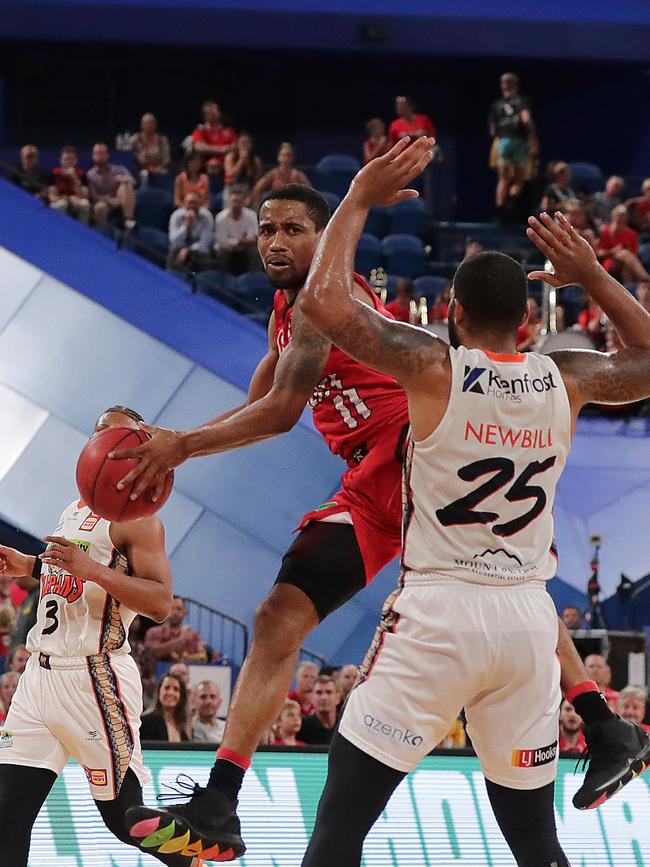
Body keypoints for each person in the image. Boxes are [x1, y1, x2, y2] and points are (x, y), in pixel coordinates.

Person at [121, 176, 644, 861]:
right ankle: (604, 722)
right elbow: (261, 406)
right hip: (406, 498)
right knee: (495, 584)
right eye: (266, 229)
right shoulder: (289, 314)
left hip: (403, 457)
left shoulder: (339, 317)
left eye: (294, 229)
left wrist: (181, 445)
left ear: (453, 312)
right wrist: (185, 444)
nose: (276, 241)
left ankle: (222, 797)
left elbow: (282, 411)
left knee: (301, 622)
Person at [288, 138, 650, 867]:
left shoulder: (433, 368)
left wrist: (358, 193)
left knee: (339, 826)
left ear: (451, 311)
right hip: (526, 623)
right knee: (535, 842)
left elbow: (324, 303)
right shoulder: (565, 376)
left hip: (440, 613)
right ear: (527, 317)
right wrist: (592, 274)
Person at [0, 406, 199, 867]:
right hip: (38, 677)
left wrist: (92, 569)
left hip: (94, 677)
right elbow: (69, 578)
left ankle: (195, 855)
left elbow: (160, 603)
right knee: (8, 814)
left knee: (124, 819)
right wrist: (28, 565)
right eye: (98, 434)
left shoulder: (139, 519)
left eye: (115, 436)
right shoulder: (74, 507)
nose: (101, 443)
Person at [489, 72, 537, 215]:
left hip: (503, 141)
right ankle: (512, 200)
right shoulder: (522, 101)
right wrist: (533, 137)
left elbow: (492, 130)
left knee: (503, 177)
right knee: (519, 177)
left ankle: (500, 207)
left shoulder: (497, 105)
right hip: (519, 141)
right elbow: (526, 119)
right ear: (515, 85)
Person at [86, 142, 136, 229]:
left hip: (121, 199)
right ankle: (101, 234)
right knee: (100, 207)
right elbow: (93, 196)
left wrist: (123, 179)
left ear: (107, 155)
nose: (100, 156)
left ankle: (128, 221)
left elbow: (133, 181)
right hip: (103, 201)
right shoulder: (90, 175)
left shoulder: (119, 169)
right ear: (93, 156)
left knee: (126, 184)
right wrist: (109, 200)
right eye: (98, 153)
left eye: (103, 153)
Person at [597, 205, 650, 284]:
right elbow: (599, 253)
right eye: (618, 220)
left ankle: (628, 289)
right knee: (623, 253)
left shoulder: (632, 234)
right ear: (613, 219)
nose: (620, 223)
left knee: (626, 259)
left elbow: (634, 254)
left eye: (623, 221)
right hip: (610, 261)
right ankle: (645, 278)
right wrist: (613, 251)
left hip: (626, 263)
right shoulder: (606, 232)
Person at [145, 596, 207, 663]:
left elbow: (202, 658)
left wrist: (183, 659)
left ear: (185, 613)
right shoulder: (154, 632)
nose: (175, 612)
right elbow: (153, 653)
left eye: (179, 609)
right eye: (171, 608)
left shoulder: (193, 635)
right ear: (165, 611)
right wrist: (181, 639)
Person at [213, 187, 260, 275]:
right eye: (234, 201)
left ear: (244, 202)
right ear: (229, 202)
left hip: (245, 248)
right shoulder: (220, 218)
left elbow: (253, 239)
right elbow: (222, 242)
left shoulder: (251, 215)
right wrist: (240, 241)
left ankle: (254, 279)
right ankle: (223, 279)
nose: (236, 204)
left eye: (239, 201)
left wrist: (233, 242)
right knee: (221, 253)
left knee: (254, 252)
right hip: (227, 249)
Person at [167, 191, 215, 272]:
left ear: (200, 204)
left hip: (198, 250)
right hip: (179, 249)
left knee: (205, 254)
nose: (192, 206)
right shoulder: (176, 216)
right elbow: (173, 240)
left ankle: (204, 281)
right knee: (173, 252)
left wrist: (188, 250)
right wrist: (185, 226)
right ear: (184, 204)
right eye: (189, 202)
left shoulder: (207, 217)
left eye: (195, 203)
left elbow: (204, 243)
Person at [252, 143, 310, 207]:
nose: (286, 158)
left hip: (293, 209)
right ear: (279, 157)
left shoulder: (298, 175)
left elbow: (310, 191)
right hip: (277, 208)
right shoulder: (272, 174)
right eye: (284, 155)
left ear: (292, 158)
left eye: (289, 155)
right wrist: (262, 208)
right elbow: (257, 189)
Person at [140, 673, 191, 742]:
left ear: (181, 696)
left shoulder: (182, 726)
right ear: (159, 691)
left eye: (176, 689)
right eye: (167, 688)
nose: (170, 693)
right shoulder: (145, 721)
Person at [191, 100, 236, 174]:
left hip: (225, 163)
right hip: (204, 163)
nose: (213, 114)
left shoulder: (228, 130)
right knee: (196, 156)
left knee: (231, 155)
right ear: (205, 115)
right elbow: (198, 146)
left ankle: (229, 180)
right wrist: (221, 149)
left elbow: (234, 145)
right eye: (209, 112)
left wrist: (227, 149)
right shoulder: (200, 130)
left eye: (214, 110)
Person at [48, 145, 91, 223]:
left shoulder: (81, 174)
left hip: (76, 202)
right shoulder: (55, 173)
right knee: (62, 204)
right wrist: (67, 198)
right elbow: (52, 197)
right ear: (61, 160)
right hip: (61, 201)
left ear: (75, 161)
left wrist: (74, 178)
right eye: (66, 159)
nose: (68, 162)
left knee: (85, 204)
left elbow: (84, 196)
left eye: (71, 159)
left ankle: (82, 232)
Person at [298, 675, 339, 746]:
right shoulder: (301, 727)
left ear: (338, 698)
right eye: (319, 693)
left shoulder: (345, 726)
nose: (324, 697)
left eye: (329, 692)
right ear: (311, 698)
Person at [223, 131, 262, 204]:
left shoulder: (255, 160)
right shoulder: (230, 157)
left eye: (247, 143)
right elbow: (229, 174)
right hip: (232, 188)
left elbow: (257, 181)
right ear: (237, 144)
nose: (245, 145)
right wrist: (241, 160)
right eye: (242, 143)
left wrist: (251, 197)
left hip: (248, 189)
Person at [131, 112, 171, 177]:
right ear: (141, 125)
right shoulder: (135, 138)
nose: (149, 125)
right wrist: (138, 158)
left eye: (151, 122)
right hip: (139, 171)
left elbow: (166, 160)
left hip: (158, 171)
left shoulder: (162, 140)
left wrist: (159, 168)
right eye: (146, 123)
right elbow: (128, 155)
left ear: (155, 124)